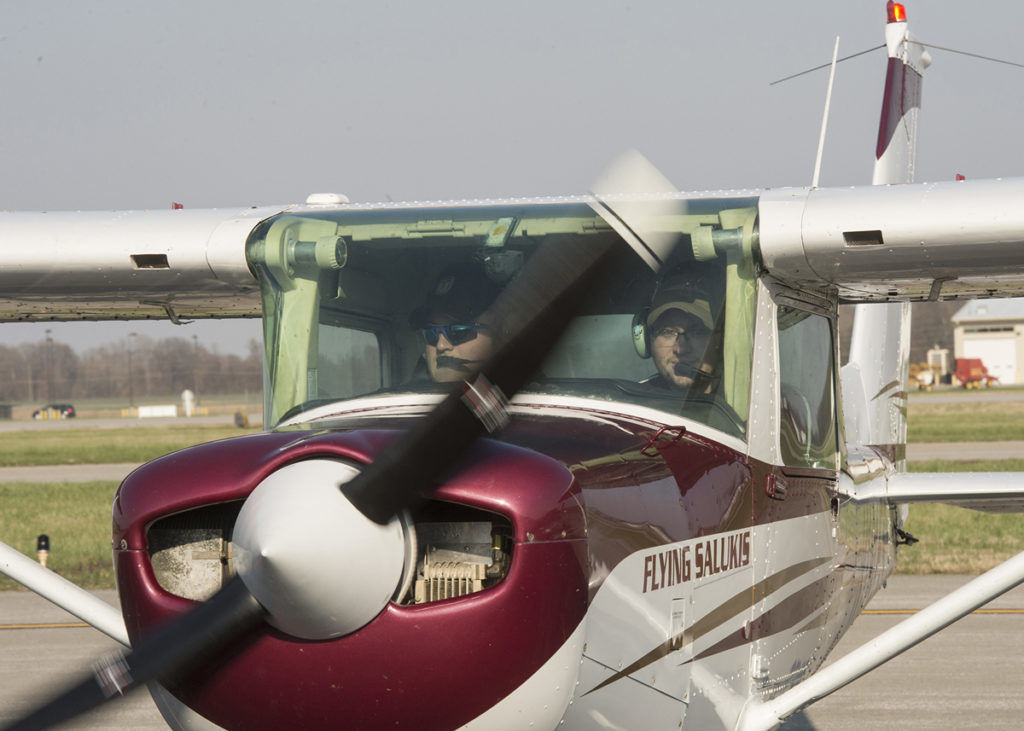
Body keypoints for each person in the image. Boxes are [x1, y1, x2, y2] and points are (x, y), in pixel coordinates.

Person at [411, 262, 502, 383]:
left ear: (499, 335)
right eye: (431, 334)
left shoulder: (532, 398)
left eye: (458, 332)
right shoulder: (398, 400)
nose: (441, 346)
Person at [642, 269, 720, 391]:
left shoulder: (748, 401)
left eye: (697, 332)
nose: (680, 349)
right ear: (647, 341)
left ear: (721, 341)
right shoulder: (633, 403)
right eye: (667, 332)